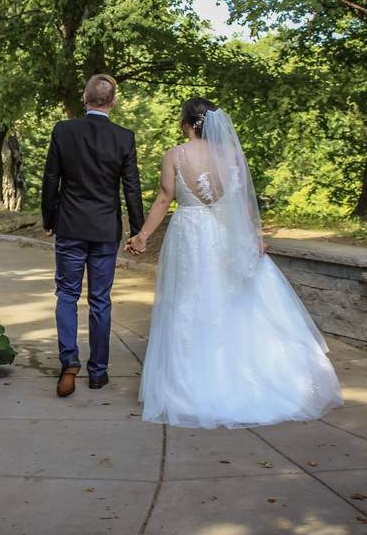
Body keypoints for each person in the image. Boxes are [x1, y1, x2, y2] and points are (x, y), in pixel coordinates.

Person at [126, 98, 343, 429]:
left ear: (185, 123)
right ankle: (247, 375)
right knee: (232, 300)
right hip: (226, 234)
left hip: (189, 234)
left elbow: (163, 198)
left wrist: (142, 236)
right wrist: (254, 236)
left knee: (188, 301)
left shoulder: (175, 155)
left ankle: (188, 385)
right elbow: (242, 201)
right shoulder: (232, 155)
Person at [41, 74, 144, 397]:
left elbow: (51, 179)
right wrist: (137, 230)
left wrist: (49, 218)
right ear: (112, 102)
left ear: (85, 98)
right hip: (104, 229)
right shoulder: (124, 137)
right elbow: (131, 187)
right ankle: (98, 372)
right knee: (100, 299)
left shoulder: (63, 131)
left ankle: (70, 362)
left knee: (67, 295)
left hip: (70, 226)